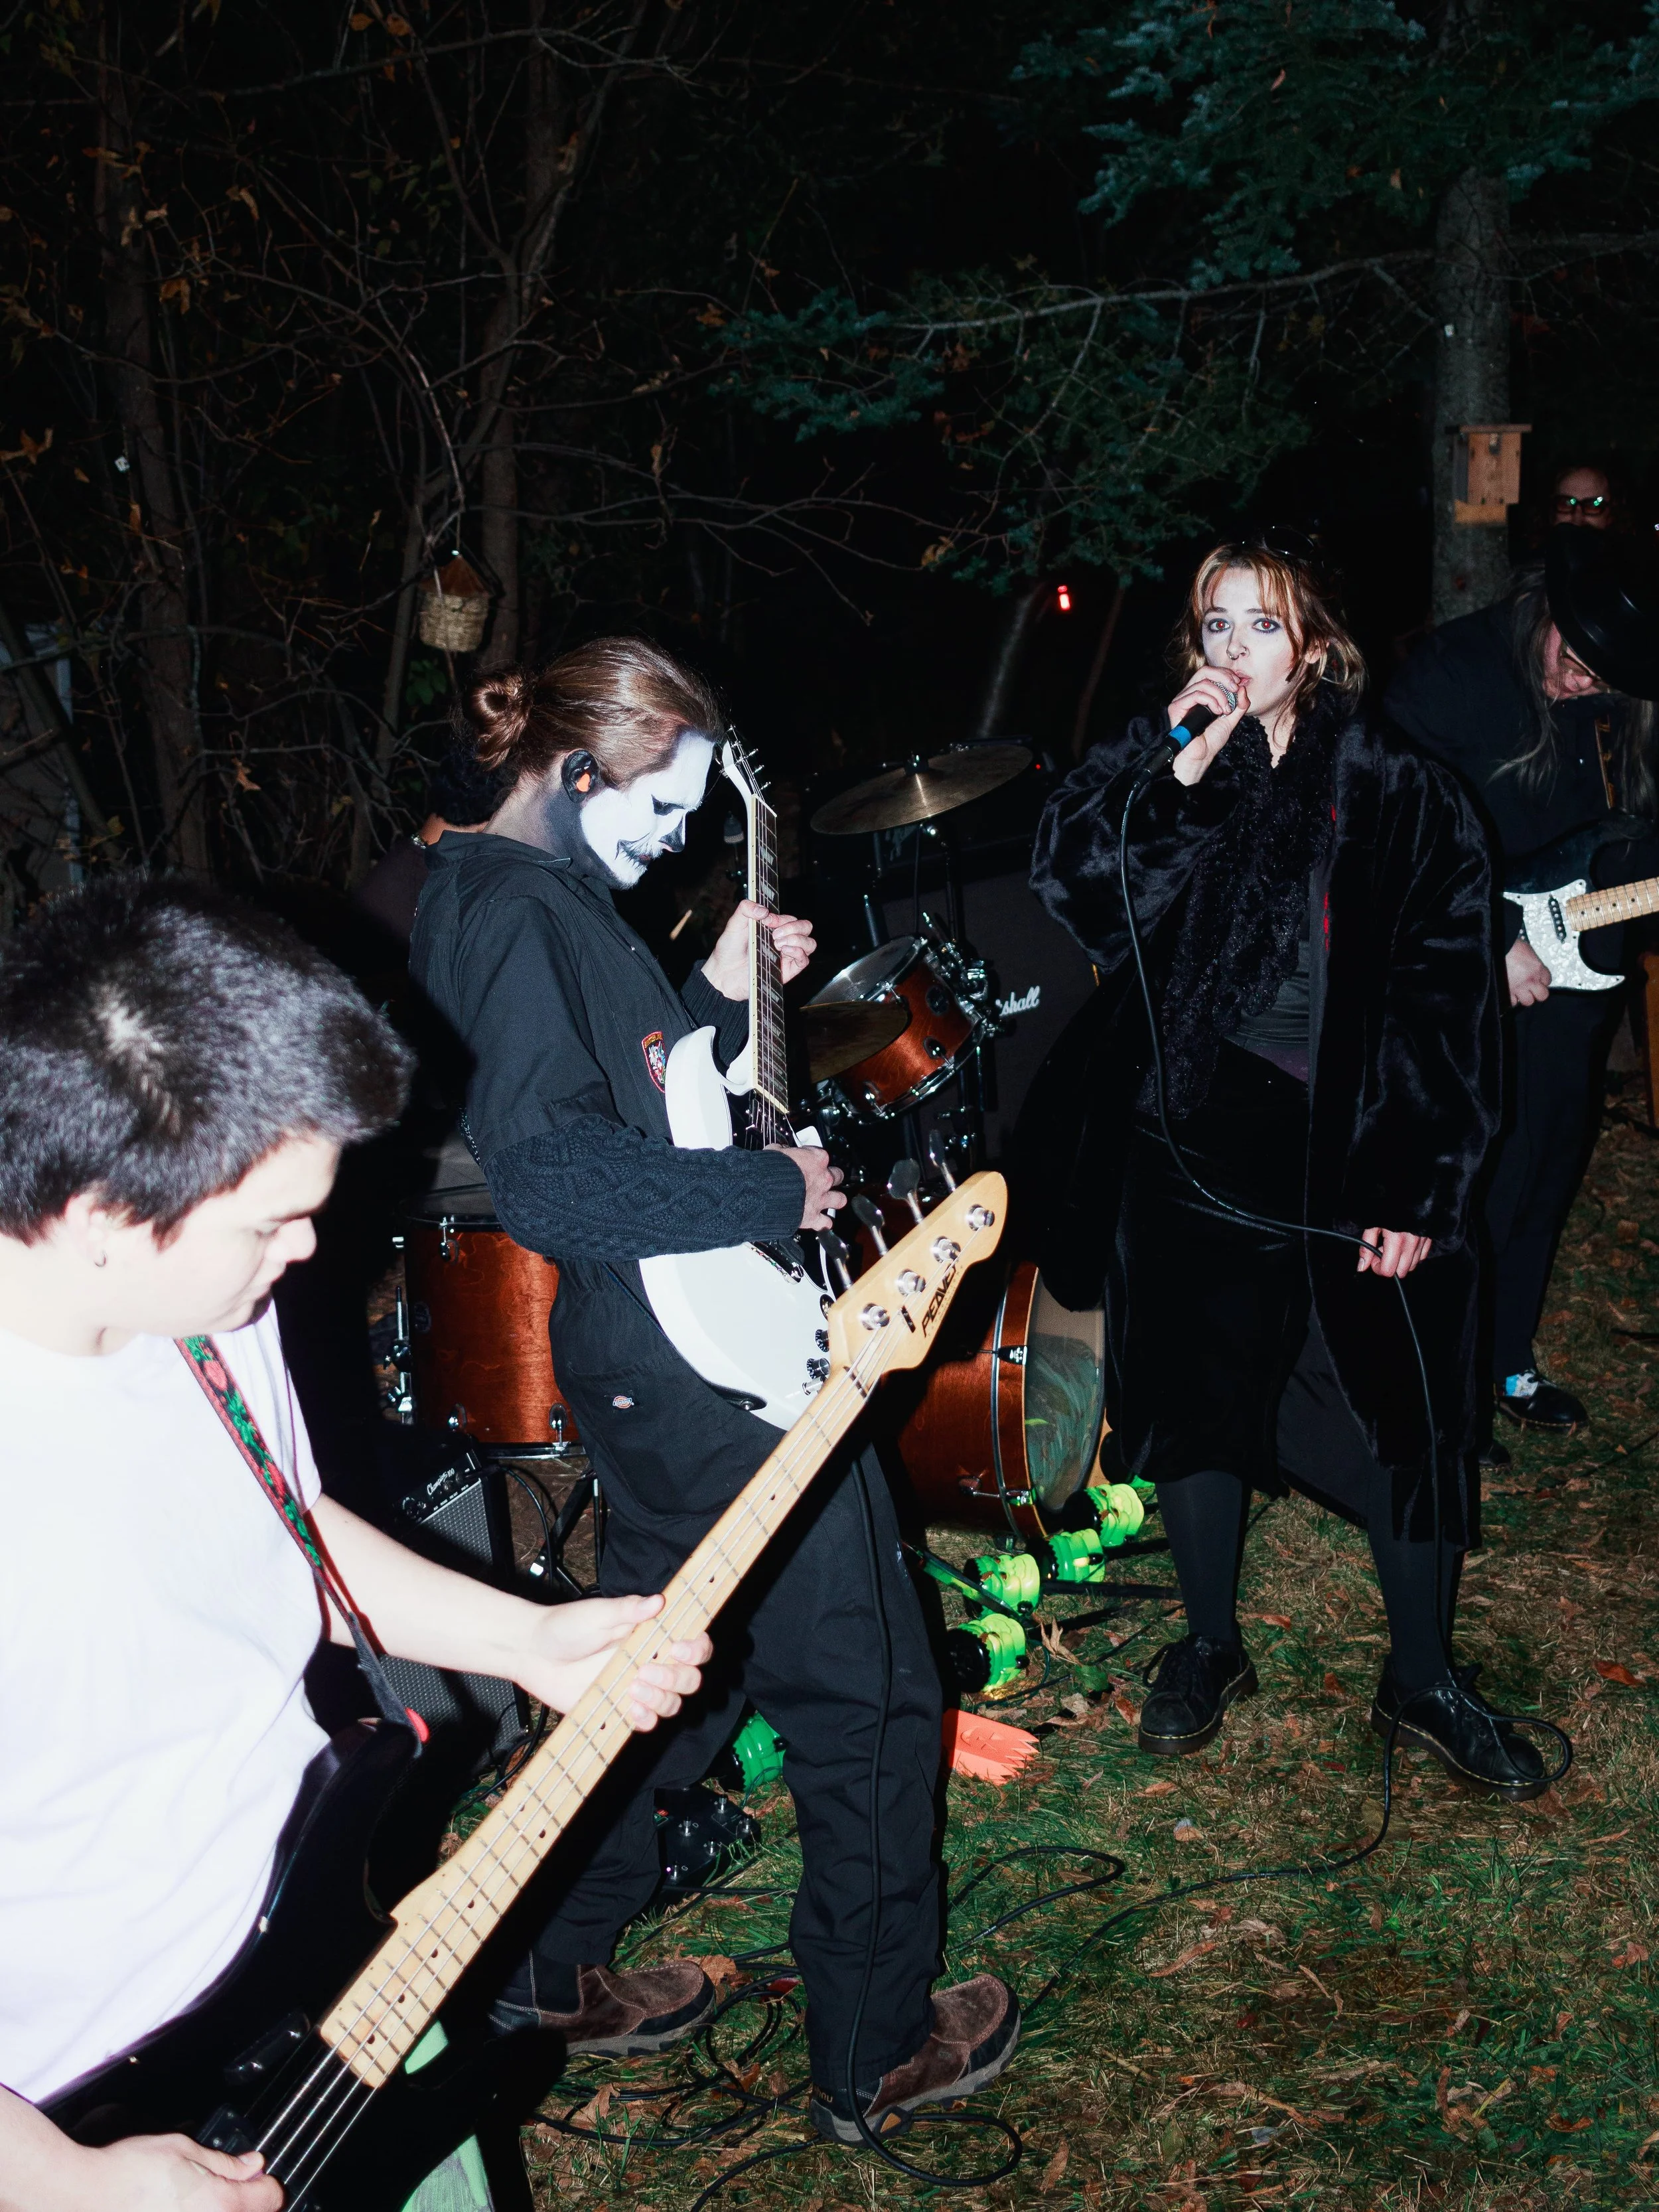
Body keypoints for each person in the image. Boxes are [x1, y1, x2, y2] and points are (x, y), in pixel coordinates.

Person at [0, 874, 711, 2211]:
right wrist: (54, 2176)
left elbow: (282, 1533)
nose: (314, 1245)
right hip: (92, 2111)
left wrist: (533, 1638)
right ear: (98, 1220)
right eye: (269, 1220)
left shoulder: (210, 1313)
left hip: (334, 1977)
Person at [407, 636, 1020, 2147]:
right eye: (661, 803)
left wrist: (707, 977)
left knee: (657, 1685)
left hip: (659, 1366)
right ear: (569, 767)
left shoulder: (535, 904)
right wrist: (775, 1180)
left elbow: (627, 1090)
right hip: (714, 1374)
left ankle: (550, 1967)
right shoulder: (510, 913)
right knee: (872, 1698)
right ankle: (875, 2044)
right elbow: (553, 1173)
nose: (676, 837)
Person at [1029, 540, 1555, 1801]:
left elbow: (1445, 1002)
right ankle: (1209, 1644)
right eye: (1215, 626)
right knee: (1193, 1397)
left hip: (1353, 1140)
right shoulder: (1177, 759)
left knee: (1402, 1409)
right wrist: (1173, 764)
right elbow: (1077, 889)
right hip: (1192, 1126)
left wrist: (1419, 1190)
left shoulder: (1399, 791)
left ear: (1313, 646)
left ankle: (1422, 1676)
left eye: (1260, 628)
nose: (1231, 652)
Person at [1387, 526, 1659, 1438]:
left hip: (1580, 965)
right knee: (1473, 1178)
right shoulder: (1454, 671)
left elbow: (1625, 835)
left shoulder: (1621, 707)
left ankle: (1506, 1367)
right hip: (1468, 965)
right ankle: (1441, 1382)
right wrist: (1493, 938)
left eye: (1602, 678)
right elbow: (1398, 824)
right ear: (1544, 611)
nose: (1581, 684)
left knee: (1545, 1170)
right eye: (1575, 662)